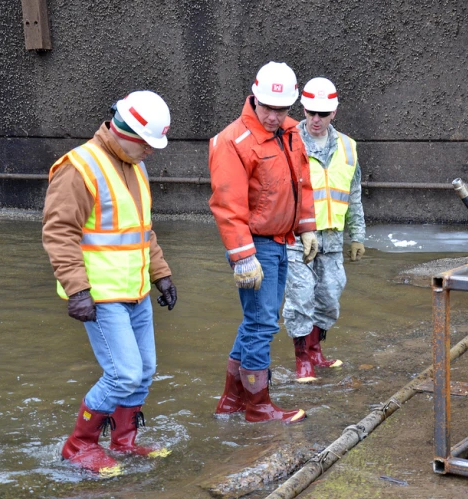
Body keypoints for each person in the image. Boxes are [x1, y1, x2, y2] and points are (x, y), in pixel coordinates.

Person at [42, 90, 178, 477]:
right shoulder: (79, 167)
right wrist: (77, 290)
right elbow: (59, 233)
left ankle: (124, 441)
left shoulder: (135, 165)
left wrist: (161, 274)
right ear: (125, 131)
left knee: (146, 369)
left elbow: (142, 230)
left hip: (134, 290)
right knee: (124, 374)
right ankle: (79, 446)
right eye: (147, 144)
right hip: (100, 295)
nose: (152, 152)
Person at [209, 61, 318, 424]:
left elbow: (300, 183)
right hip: (255, 245)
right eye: (268, 108)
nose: (274, 116)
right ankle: (258, 406)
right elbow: (227, 204)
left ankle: (231, 400)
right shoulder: (233, 141)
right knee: (263, 325)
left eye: (282, 109)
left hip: (280, 240)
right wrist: (243, 256)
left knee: (256, 320)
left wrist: (307, 228)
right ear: (254, 99)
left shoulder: (289, 132)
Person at [282, 77, 366, 382]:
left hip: (331, 237)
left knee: (330, 296)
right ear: (303, 109)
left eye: (323, 113)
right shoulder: (289, 142)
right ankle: (302, 358)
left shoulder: (348, 147)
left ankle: (316, 349)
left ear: (334, 113)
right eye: (310, 112)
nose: (315, 119)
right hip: (296, 236)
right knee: (301, 296)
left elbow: (354, 194)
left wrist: (357, 236)